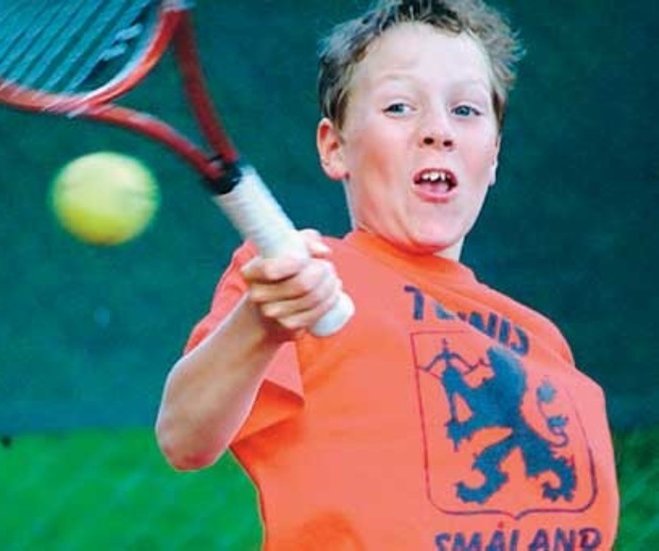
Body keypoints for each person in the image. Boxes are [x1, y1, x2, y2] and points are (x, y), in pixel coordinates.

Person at [155, 0, 620, 548]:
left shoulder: (544, 344)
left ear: (492, 156)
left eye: (466, 111)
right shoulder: (298, 280)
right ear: (335, 147)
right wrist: (261, 323)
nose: (437, 130)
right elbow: (185, 437)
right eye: (400, 107)